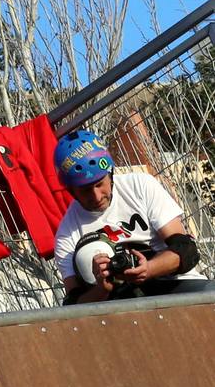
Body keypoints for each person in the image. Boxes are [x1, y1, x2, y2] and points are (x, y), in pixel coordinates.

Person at [53, 130, 212, 304]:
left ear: (111, 174)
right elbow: (72, 304)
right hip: (119, 302)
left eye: (100, 184)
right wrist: (101, 289)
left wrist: (148, 269)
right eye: (85, 191)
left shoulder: (140, 185)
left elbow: (186, 250)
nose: (97, 196)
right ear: (71, 191)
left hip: (175, 283)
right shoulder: (66, 235)